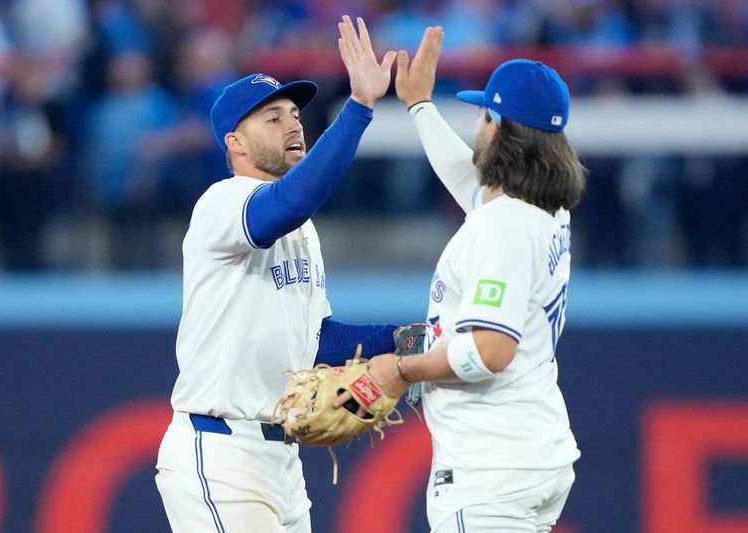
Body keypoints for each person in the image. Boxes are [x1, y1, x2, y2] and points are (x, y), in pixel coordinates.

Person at [155, 16, 402, 533]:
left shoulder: (302, 229)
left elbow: (315, 341)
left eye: (294, 113)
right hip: (220, 452)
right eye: (272, 118)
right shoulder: (223, 203)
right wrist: (357, 108)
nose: (293, 124)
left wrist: (400, 340)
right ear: (235, 144)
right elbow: (289, 201)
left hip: (282, 464)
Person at [357, 27, 587, 532]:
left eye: (484, 114)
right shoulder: (544, 207)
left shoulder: (503, 226)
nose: (477, 124)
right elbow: (474, 185)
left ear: (499, 128)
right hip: (532, 450)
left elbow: (489, 352)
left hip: (491, 466)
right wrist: (419, 106)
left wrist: (402, 371)